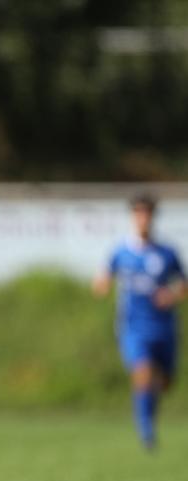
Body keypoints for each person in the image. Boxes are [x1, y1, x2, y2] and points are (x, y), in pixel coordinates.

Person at [93, 192, 186, 450]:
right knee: (143, 373)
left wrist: (172, 294)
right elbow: (103, 277)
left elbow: (183, 286)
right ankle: (146, 430)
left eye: (147, 214)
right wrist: (101, 284)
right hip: (133, 326)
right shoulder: (121, 251)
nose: (143, 219)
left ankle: (150, 416)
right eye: (138, 214)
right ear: (133, 217)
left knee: (164, 382)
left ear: (153, 218)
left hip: (164, 327)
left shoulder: (167, 252)